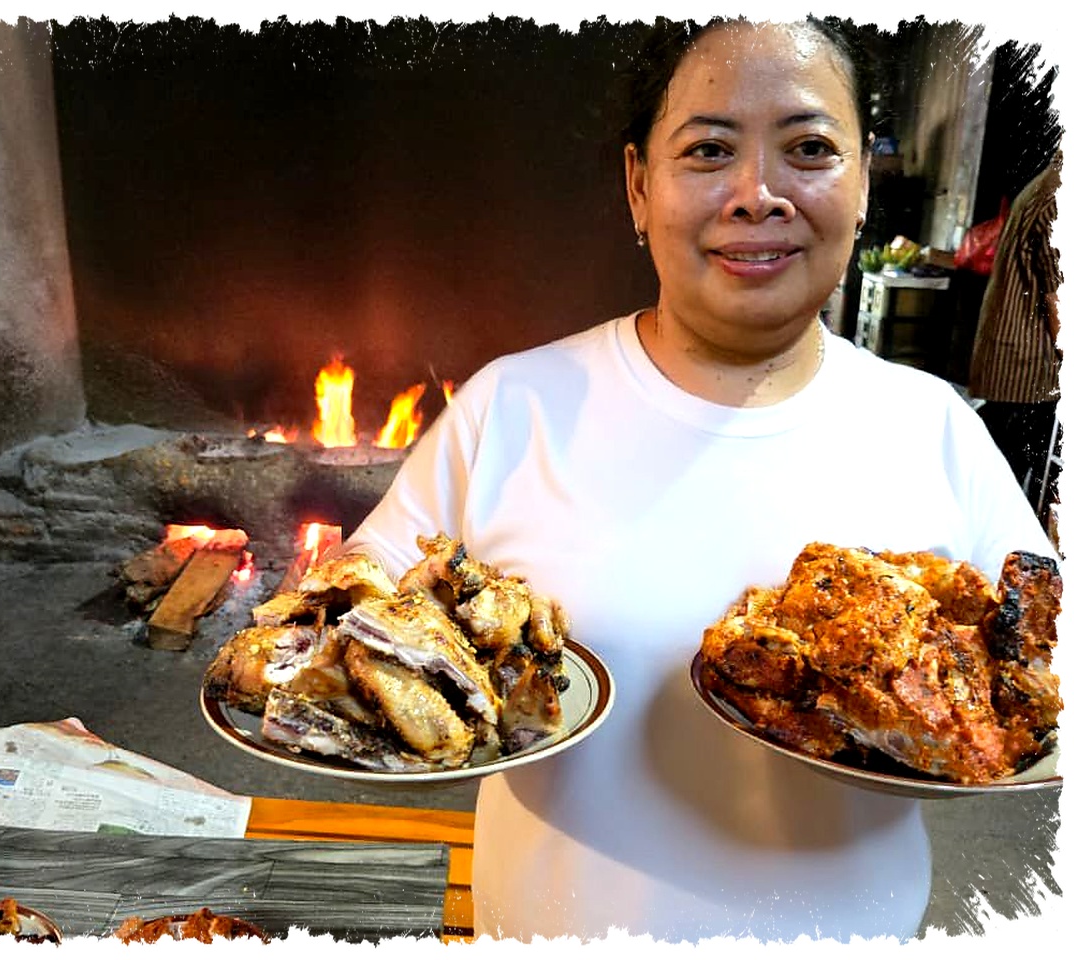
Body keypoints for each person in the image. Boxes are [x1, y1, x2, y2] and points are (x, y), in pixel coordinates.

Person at [340, 17, 1056, 942]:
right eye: (710, 150)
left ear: (864, 184)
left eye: (809, 149)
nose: (758, 196)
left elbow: (1047, 675)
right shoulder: (513, 407)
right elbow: (344, 615)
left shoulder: (933, 425)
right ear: (640, 187)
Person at [969, 150, 1063, 532]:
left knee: (1004, 474)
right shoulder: (1058, 194)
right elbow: (1060, 297)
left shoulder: (1050, 185)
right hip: (1029, 371)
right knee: (1017, 487)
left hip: (1020, 366)